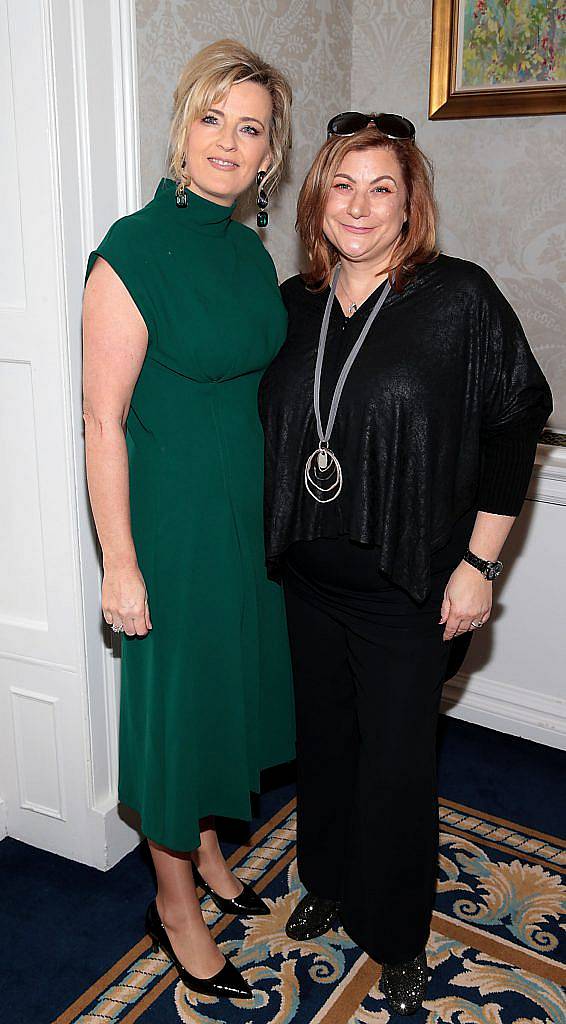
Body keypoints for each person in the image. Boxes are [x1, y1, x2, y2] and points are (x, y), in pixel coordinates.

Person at [258, 112, 552, 1015]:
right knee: (326, 747)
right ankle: (330, 881)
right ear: (317, 199)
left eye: (382, 186)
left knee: (397, 765)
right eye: (342, 183)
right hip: (307, 577)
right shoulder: (292, 301)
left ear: (410, 203)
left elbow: (516, 421)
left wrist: (480, 566)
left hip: (407, 585)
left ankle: (396, 930)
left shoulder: (457, 297)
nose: (360, 204)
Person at [82, 39, 294, 1001]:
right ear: (183, 128)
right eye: (213, 117)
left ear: (269, 156)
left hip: (246, 517)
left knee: (228, 691)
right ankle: (172, 904)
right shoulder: (132, 249)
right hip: (171, 523)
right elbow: (102, 420)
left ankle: (209, 849)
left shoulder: (250, 251)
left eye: (249, 127)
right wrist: (120, 565)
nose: (228, 140)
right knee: (175, 711)